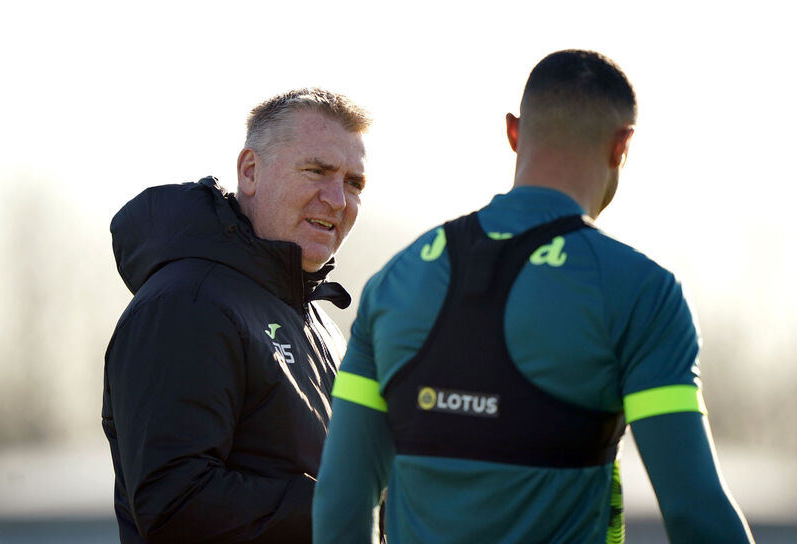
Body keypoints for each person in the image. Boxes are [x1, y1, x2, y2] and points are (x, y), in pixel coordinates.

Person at [313, 50, 754, 543]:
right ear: (622, 146)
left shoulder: (396, 279)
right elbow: (694, 511)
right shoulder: (641, 290)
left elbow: (340, 500)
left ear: (513, 133)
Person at [102, 88, 370, 543]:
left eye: (353, 183)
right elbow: (175, 502)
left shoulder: (311, 316)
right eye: (317, 172)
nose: (338, 199)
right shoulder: (188, 302)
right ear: (250, 171)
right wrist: (348, 508)